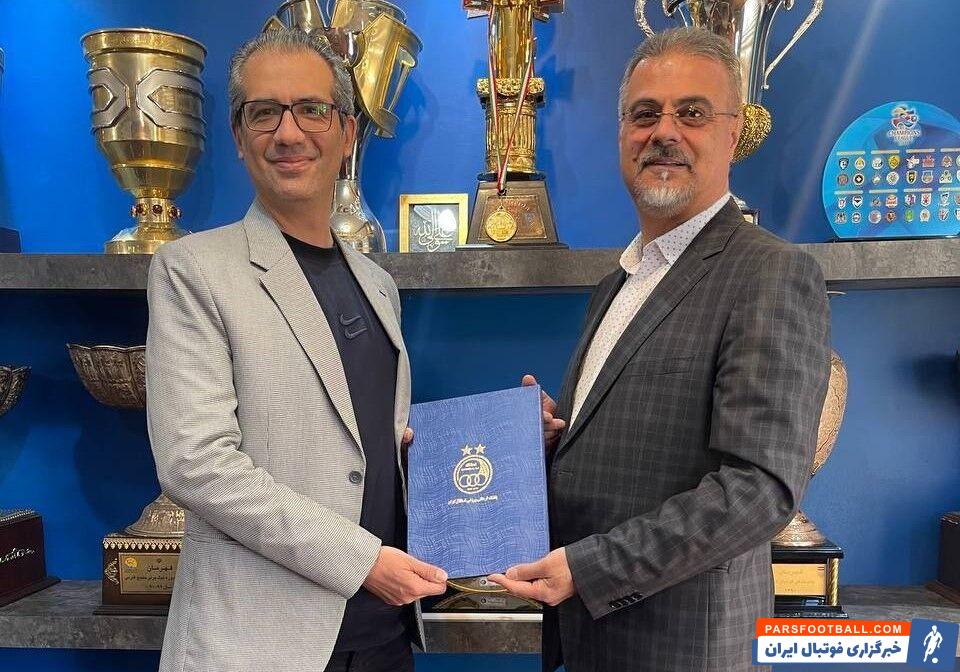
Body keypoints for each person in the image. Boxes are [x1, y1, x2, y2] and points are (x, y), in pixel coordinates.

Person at [489, 27, 831, 672]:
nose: (664, 132)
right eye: (644, 114)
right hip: (591, 642)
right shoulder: (618, 283)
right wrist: (556, 439)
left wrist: (590, 569)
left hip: (684, 650)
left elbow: (759, 488)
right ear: (622, 134)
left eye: (692, 113)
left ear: (733, 134)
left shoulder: (771, 273)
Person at [145, 28, 446, 672]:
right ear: (238, 135)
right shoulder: (193, 270)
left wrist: (506, 443)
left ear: (347, 133)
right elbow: (196, 464)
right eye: (264, 112)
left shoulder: (378, 285)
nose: (288, 133)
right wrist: (361, 560)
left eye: (311, 109)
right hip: (258, 645)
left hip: (384, 637)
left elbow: (369, 451)